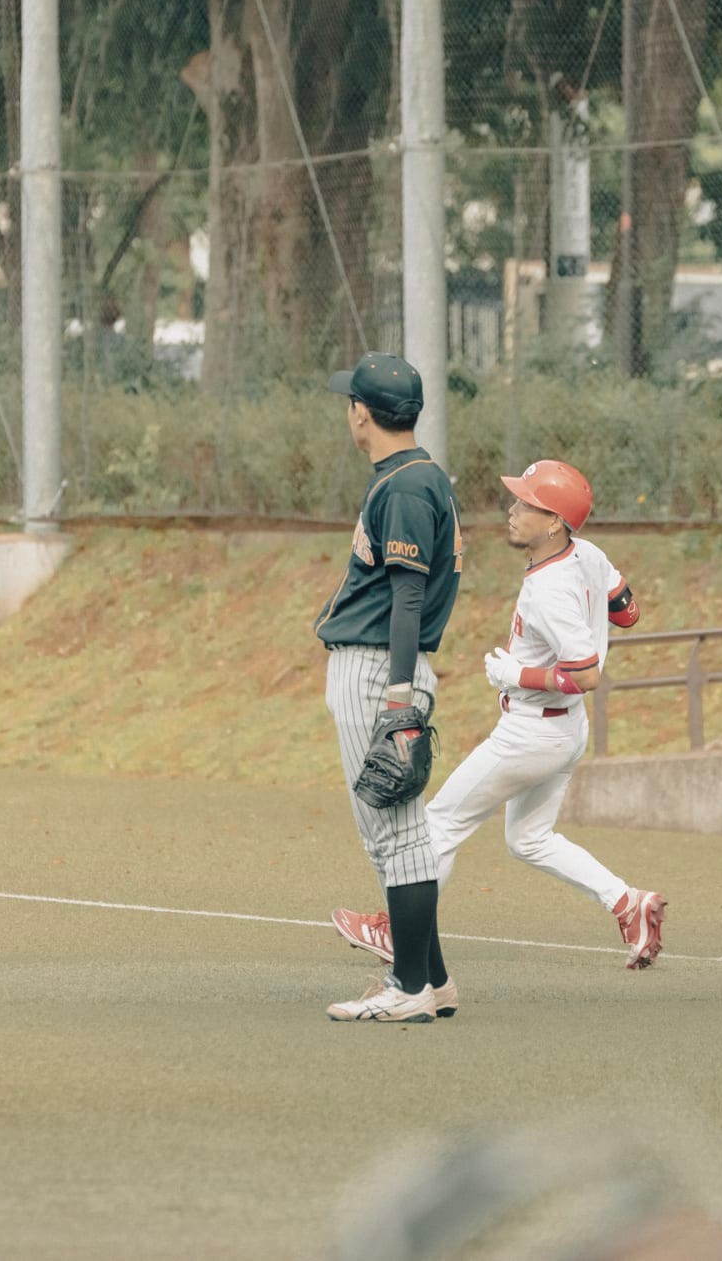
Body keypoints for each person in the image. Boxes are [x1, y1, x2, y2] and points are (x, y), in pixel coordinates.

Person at [330, 460, 667, 994]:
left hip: (533, 731)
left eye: (526, 503)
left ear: (555, 521)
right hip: (562, 730)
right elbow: (627, 611)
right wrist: (596, 611)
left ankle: (397, 932)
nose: (512, 510)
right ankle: (628, 903)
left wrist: (519, 672)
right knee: (529, 839)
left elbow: (586, 673)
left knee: (438, 824)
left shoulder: (550, 586)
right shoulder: (588, 554)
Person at [315, 353, 464, 1024]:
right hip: (380, 665)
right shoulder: (409, 476)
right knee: (391, 831)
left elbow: (407, 599)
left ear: (362, 414)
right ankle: (432, 978)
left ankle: (408, 987)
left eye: (352, 401)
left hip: (382, 667)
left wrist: (399, 697)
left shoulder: (406, 485)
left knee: (396, 833)